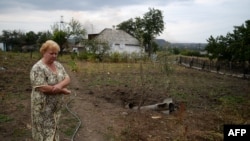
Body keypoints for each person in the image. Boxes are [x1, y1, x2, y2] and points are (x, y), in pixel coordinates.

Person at [30, 40, 71, 141]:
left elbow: (68, 78)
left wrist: (59, 85)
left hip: (55, 108)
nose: (54, 56)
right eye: (51, 53)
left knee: (54, 128)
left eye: (56, 53)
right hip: (43, 108)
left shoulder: (58, 65)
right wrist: (61, 90)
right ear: (44, 52)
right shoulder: (37, 68)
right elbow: (42, 88)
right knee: (43, 131)